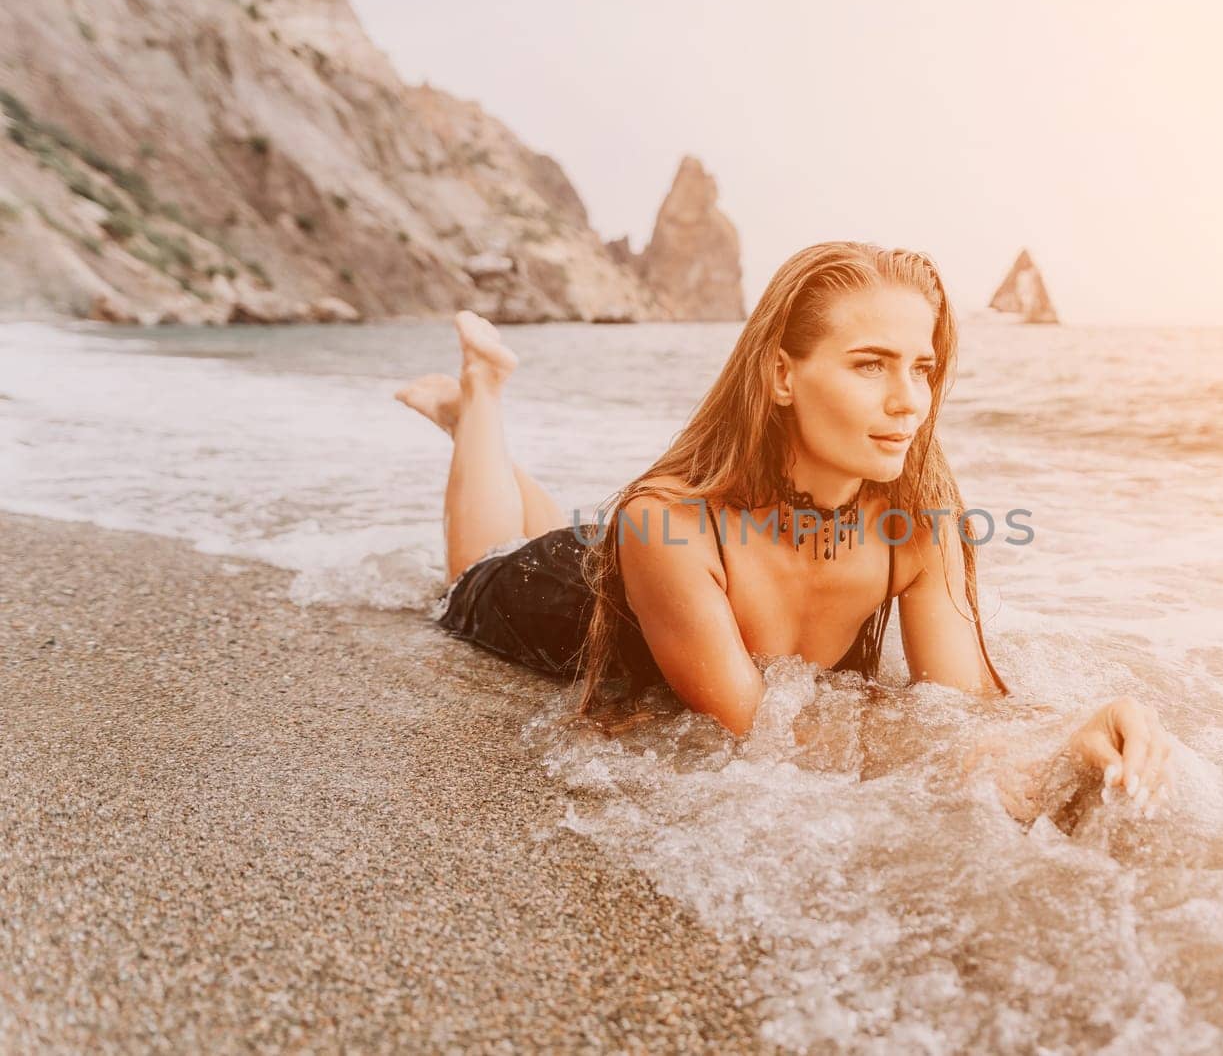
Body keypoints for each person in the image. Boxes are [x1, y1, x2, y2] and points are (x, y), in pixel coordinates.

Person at [396, 241, 1175, 811]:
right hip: (564, 592)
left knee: (567, 524)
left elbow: (963, 708)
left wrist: (1071, 739)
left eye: (923, 367)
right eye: (870, 364)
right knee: (476, 566)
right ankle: (483, 398)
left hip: (643, 565)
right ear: (780, 375)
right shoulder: (666, 523)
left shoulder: (919, 519)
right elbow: (757, 736)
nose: (909, 400)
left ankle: (481, 436)